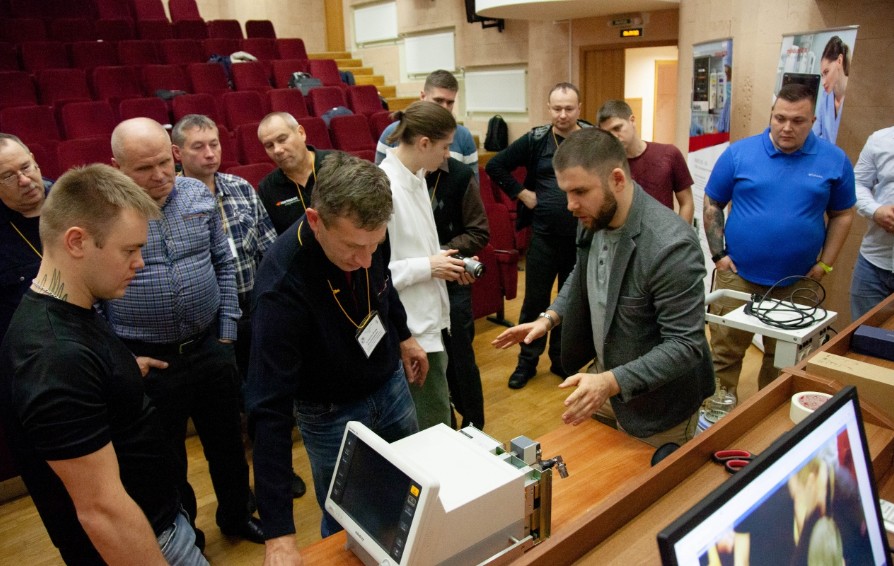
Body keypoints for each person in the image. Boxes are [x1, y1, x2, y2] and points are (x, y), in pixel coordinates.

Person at [0, 164, 208, 565]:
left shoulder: (71, 311)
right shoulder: (55, 358)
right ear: (77, 241)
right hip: (146, 544)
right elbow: (102, 512)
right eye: (128, 250)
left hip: (161, 520)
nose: (140, 263)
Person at [247, 153, 426, 558]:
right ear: (314, 220)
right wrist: (279, 533)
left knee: (410, 494)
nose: (365, 259)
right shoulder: (280, 288)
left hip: (390, 384)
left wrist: (404, 336)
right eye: (352, 247)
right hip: (331, 414)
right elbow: (268, 411)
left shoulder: (366, 233)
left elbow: (383, 285)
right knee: (350, 519)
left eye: (374, 244)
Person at [493, 128, 714, 447]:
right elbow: (582, 275)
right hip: (603, 379)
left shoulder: (671, 246)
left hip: (658, 406)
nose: (570, 205)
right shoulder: (593, 218)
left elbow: (685, 345)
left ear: (617, 179)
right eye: (566, 192)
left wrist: (610, 382)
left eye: (580, 191)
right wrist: (549, 318)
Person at [105, 118, 264, 545]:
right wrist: (121, 358)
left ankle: (236, 516)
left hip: (210, 346)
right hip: (149, 360)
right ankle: (185, 535)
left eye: (163, 163)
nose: (158, 176)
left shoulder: (196, 194)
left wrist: (227, 331)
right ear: (117, 167)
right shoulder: (104, 215)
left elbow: (224, 263)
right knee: (166, 459)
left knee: (229, 446)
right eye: (143, 168)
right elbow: (90, 296)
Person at [704, 83, 855, 397]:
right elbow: (712, 203)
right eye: (780, 118)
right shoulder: (739, 153)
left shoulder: (834, 160)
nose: (787, 127)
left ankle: (766, 418)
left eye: (798, 121)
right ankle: (716, 413)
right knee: (724, 353)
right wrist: (719, 255)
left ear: (813, 121)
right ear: (771, 116)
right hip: (738, 276)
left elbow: (843, 214)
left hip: (798, 281)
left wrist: (826, 265)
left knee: (784, 359)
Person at [486, 82, 592, 389]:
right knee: (534, 303)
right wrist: (521, 193)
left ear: (579, 109)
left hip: (581, 240)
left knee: (569, 304)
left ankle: (561, 361)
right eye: (556, 108)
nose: (562, 115)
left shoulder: (591, 140)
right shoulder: (536, 139)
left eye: (568, 108)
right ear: (549, 109)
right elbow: (496, 165)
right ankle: (526, 363)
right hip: (543, 239)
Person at [380, 100, 473, 430]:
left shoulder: (417, 179)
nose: (447, 155)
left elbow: (421, 250)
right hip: (411, 328)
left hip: (430, 320)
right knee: (431, 425)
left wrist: (443, 264)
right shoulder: (386, 186)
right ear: (424, 143)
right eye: (445, 147)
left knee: (437, 416)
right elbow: (375, 274)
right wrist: (429, 267)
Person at [171, 114, 278, 379]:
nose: (209, 153)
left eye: (214, 144)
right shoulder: (169, 201)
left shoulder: (241, 188)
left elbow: (269, 250)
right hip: (210, 322)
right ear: (177, 152)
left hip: (255, 310)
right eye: (198, 147)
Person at [428, 156, 489, 428]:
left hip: (454, 278)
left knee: (460, 358)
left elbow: (478, 232)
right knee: (431, 363)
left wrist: (441, 253)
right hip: (419, 283)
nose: (445, 153)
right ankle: (444, 425)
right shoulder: (399, 176)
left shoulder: (460, 174)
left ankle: (474, 426)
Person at [597, 99, 695, 224]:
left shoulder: (669, 154)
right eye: (608, 133)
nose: (615, 136)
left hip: (666, 237)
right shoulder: (607, 165)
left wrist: (681, 238)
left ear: (632, 120)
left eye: (617, 128)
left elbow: (687, 202)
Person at [375, 69, 478, 178]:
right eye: (438, 100)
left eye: (450, 102)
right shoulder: (392, 132)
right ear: (423, 96)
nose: (444, 108)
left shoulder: (464, 136)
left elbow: (471, 186)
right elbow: (379, 181)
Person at [0, 133, 51, 341]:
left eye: (26, 167)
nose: (24, 180)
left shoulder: (75, 203)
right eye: (8, 176)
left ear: (35, 161)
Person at [257, 112, 337, 234]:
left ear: (301, 133)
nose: (277, 150)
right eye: (269, 146)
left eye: (282, 139)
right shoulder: (267, 188)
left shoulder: (339, 165)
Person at [850, 126, 894, 319]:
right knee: (864, 340)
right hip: (872, 263)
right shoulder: (880, 139)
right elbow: (857, 183)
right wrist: (875, 211)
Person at [812, 36, 851, 144]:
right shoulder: (826, 96)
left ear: (839, 60)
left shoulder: (855, 96)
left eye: (826, 72)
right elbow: (814, 134)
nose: (823, 82)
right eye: (822, 75)